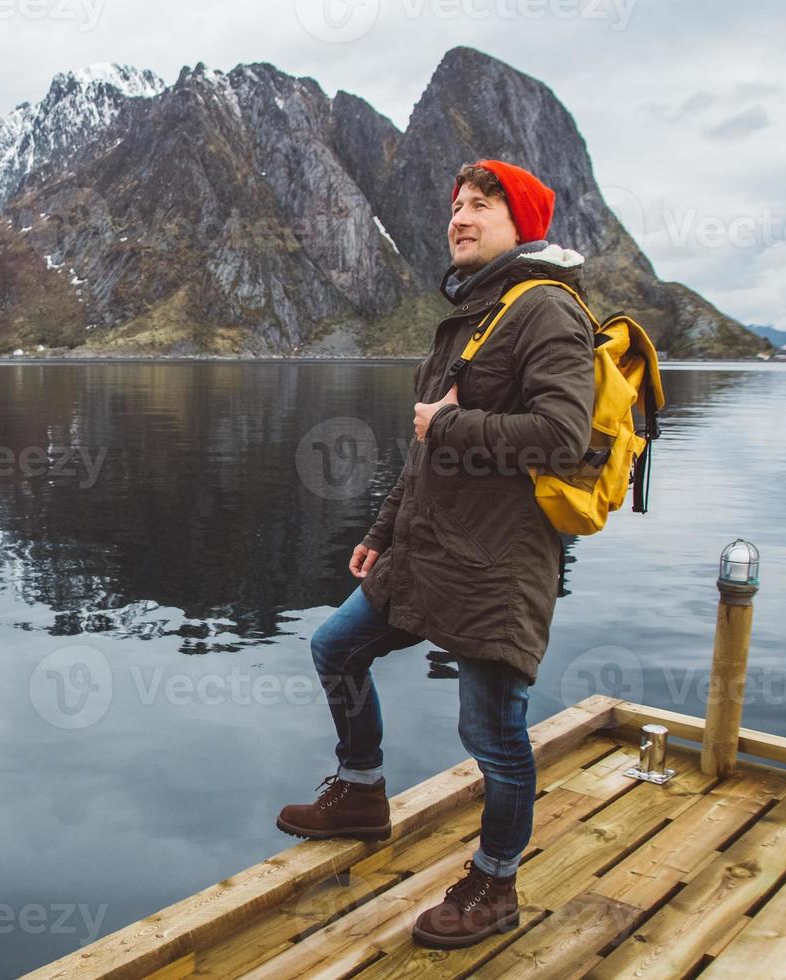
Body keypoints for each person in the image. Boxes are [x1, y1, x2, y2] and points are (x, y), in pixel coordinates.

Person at [275, 159, 596, 949]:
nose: (461, 217)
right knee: (335, 646)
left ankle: (496, 881)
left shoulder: (547, 310)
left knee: (492, 733)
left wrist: (448, 427)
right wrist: (381, 532)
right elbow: (425, 448)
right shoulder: (471, 314)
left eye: (481, 205)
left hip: (498, 563)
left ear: (522, 224)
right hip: (424, 549)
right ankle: (360, 792)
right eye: (456, 205)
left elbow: (566, 437)